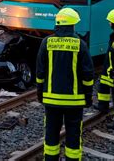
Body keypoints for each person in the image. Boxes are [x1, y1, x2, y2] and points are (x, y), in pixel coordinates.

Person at [36, 8, 94, 160]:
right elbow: (88, 74)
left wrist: (40, 93)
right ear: (73, 25)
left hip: (51, 100)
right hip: (74, 102)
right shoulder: (80, 44)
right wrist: (88, 97)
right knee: (74, 136)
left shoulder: (46, 42)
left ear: (58, 25)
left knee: (51, 135)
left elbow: (40, 73)